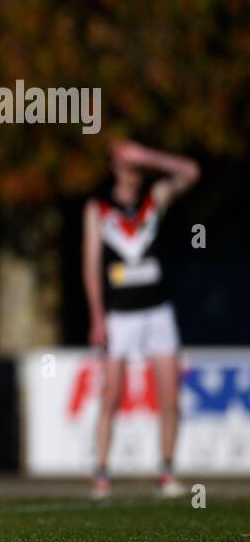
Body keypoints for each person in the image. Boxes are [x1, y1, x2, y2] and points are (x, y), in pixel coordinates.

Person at [83, 138, 200, 498]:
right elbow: (90, 264)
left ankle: (166, 472)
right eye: (127, 167)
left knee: (169, 394)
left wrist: (149, 154)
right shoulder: (99, 209)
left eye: (137, 169)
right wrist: (97, 316)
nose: (133, 175)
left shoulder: (154, 200)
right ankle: (101, 474)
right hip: (121, 316)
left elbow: (191, 172)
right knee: (112, 394)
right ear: (114, 169)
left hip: (158, 311)